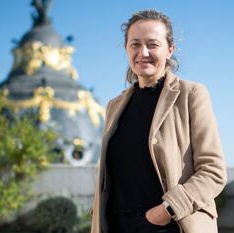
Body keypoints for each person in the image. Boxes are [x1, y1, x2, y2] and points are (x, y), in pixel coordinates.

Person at [91, 9, 227, 233]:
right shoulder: (114, 106)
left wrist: (167, 209)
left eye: (152, 44)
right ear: (126, 49)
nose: (143, 52)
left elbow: (213, 171)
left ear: (169, 50)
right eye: (135, 44)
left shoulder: (191, 94)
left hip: (169, 226)